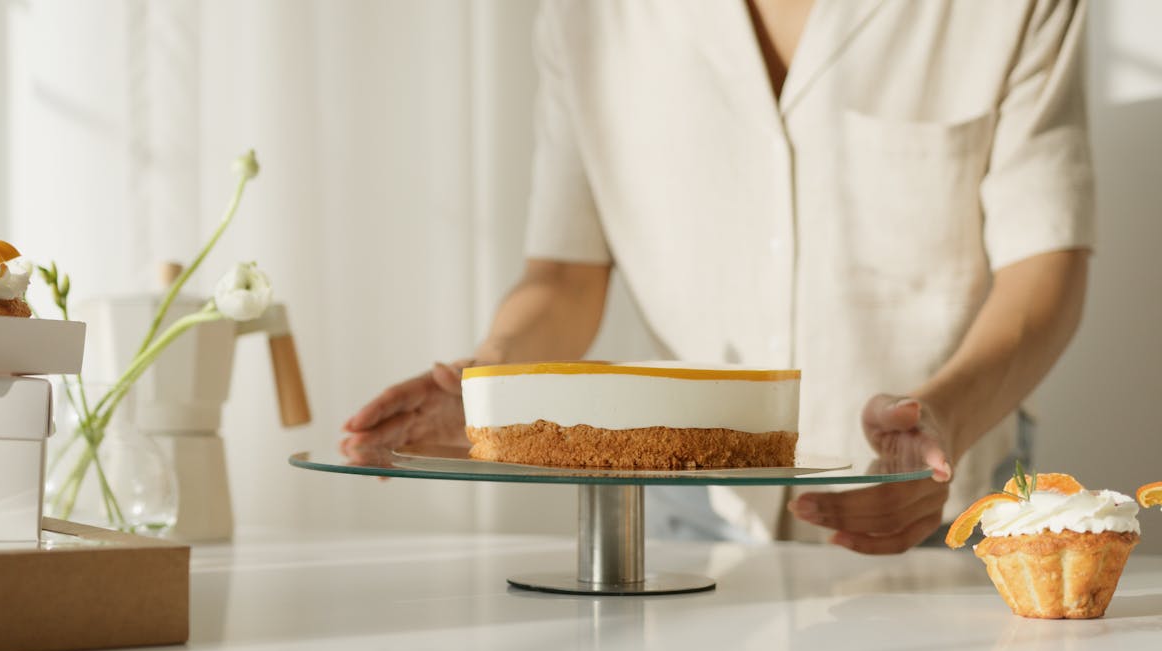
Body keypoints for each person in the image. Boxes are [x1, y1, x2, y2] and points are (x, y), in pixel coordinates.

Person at [342, 0, 1092, 554]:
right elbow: (567, 274)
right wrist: (495, 385)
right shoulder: (588, 17)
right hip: (686, 508)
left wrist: (944, 420)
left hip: (945, 503)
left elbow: (1045, 266)